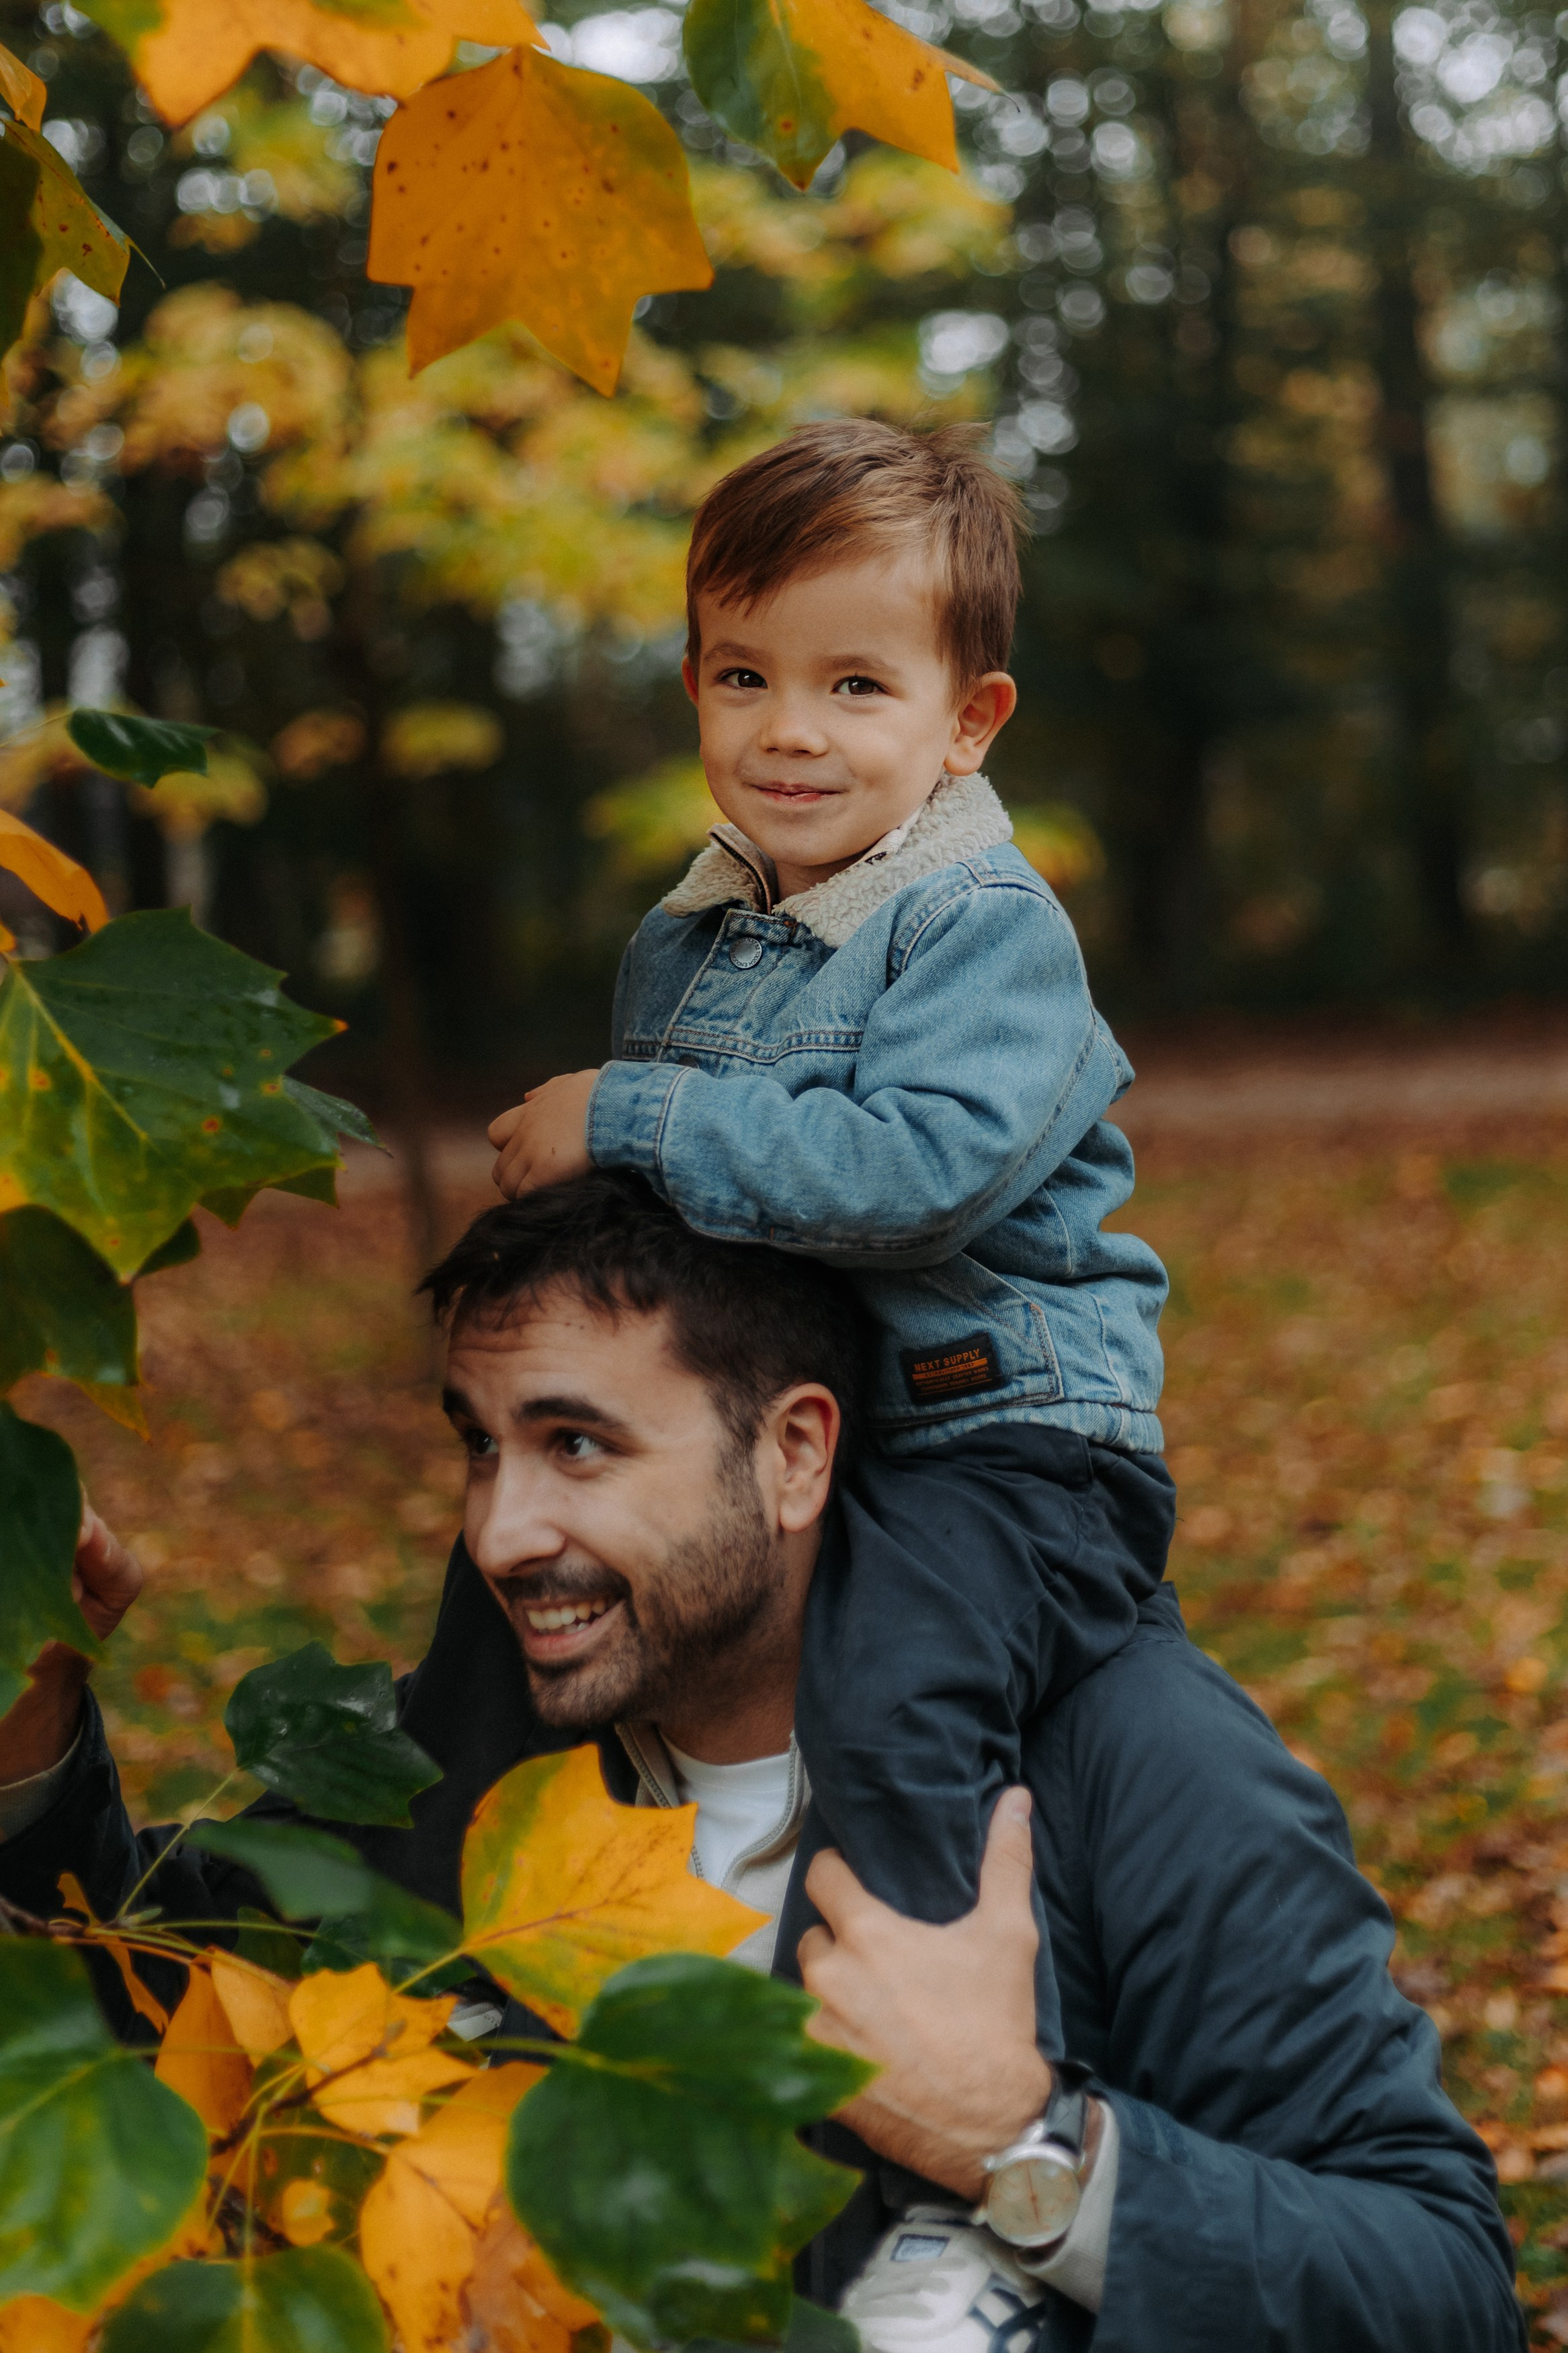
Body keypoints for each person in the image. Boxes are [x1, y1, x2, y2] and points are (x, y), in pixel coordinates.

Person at [0, 1179, 1524, 2350]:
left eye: (579, 1445)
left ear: (794, 1452)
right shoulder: (461, 1752)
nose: (503, 1530)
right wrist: (28, 1725)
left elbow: (1442, 2283)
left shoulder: (1120, 1755)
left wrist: (1019, 2143)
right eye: (480, 1444)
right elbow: (144, 2042)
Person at [484, 420, 1174, 2057]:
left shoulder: (981, 928)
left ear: (968, 721)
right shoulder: (691, 936)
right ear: (694, 686)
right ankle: (528, 1985)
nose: (790, 729)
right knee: (563, 1630)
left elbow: (916, 1173)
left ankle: (963, 2094)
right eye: (745, 677)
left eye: (857, 685)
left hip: (1007, 1442)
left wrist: (627, 1117)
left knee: (899, 1714)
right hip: (804, 1432)